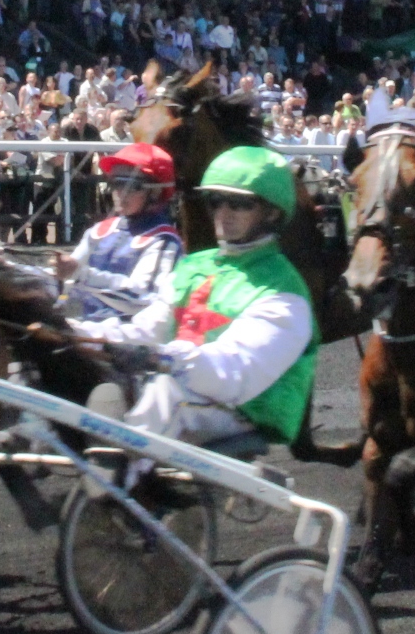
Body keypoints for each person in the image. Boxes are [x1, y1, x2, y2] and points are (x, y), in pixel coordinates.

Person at [75, 145, 315, 449]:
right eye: (216, 201)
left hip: (242, 408)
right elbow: (145, 330)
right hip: (182, 387)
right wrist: (77, 332)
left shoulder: (284, 291)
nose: (222, 214)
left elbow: (235, 372)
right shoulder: (194, 266)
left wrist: (163, 357)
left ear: (271, 212)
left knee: (166, 390)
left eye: (238, 204)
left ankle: (117, 479)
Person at [57, 143, 185, 318]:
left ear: (155, 193)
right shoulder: (100, 230)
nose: (120, 193)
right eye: (115, 184)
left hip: (130, 339)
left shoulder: (164, 241)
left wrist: (80, 273)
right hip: (90, 333)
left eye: (131, 186)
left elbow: (142, 299)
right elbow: (66, 277)